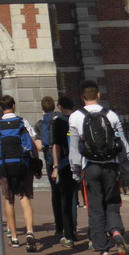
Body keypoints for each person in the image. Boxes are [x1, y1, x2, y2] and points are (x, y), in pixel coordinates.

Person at [68, 80, 129, 255]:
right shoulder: (111, 115)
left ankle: (104, 251)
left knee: (95, 208)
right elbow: (124, 145)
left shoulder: (75, 117)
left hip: (91, 166)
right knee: (112, 203)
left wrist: (76, 171)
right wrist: (126, 167)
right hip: (110, 166)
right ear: (98, 95)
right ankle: (115, 231)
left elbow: (74, 148)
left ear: (82, 96)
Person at [0, 95, 41, 251]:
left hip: (5, 166)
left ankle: (14, 237)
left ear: (1, 108)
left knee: (9, 200)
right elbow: (33, 145)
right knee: (25, 197)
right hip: (23, 164)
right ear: (14, 106)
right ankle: (29, 231)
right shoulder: (23, 122)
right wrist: (37, 163)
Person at [50, 96, 78, 247]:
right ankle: (92, 235)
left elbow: (57, 146)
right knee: (81, 199)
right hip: (82, 163)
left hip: (66, 163)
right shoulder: (80, 118)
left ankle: (69, 234)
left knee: (66, 199)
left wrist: (55, 167)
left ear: (60, 106)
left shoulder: (59, 122)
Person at [35, 96, 63, 237]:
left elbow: (39, 146)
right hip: (64, 159)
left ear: (42, 108)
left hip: (50, 160)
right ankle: (71, 226)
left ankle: (59, 227)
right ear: (55, 106)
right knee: (68, 193)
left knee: (56, 193)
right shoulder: (62, 119)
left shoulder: (40, 124)